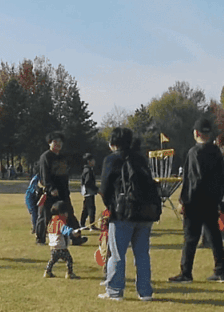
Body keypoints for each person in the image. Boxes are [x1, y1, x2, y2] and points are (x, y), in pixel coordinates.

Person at [98, 127, 155, 300]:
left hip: (122, 212)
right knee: (142, 254)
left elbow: (105, 188)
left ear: (112, 143)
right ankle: (145, 292)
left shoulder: (111, 160)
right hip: (145, 212)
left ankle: (115, 291)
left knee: (117, 254)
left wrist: (110, 207)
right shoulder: (140, 159)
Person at [169, 118, 224, 284]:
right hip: (211, 201)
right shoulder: (216, 152)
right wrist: (217, 199)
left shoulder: (194, 152)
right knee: (214, 237)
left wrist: (184, 201)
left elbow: (192, 180)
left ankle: (186, 272)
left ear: (196, 133)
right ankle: (220, 271)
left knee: (190, 238)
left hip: (195, 202)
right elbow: (223, 178)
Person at [36, 131, 85, 245]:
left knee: (69, 214)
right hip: (50, 192)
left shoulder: (63, 157)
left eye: (60, 142)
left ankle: (76, 238)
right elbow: (45, 175)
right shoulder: (45, 157)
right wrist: (51, 188)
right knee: (45, 216)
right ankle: (40, 239)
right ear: (49, 143)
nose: (58, 144)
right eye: (55, 141)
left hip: (63, 191)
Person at [43, 200, 81, 279]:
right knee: (69, 260)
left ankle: (47, 272)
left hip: (53, 247)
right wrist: (73, 232)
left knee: (52, 260)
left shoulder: (51, 222)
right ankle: (69, 273)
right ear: (62, 213)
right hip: (61, 247)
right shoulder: (60, 222)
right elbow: (65, 230)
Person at [79, 153, 98, 230]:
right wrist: (96, 189)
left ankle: (82, 224)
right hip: (89, 192)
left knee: (86, 209)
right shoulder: (88, 171)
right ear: (89, 161)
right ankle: (92, 225)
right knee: (91, 209)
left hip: (87, 192)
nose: (94, 161)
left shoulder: (86, 170)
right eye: (93, 160)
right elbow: (88, 182)